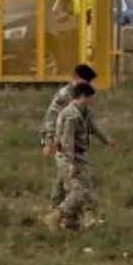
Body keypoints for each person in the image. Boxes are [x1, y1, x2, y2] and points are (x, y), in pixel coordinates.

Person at [40, 64, 112, 214]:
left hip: (73, 141)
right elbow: (51, 118)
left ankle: (57, 207)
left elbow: (89, 121)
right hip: (63, 141)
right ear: (78, 78)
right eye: (86, 81)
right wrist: (48, 142)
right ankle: (62, 211)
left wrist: (105, 139)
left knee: (63, 175)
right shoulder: (64, 95)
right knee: (71, 177)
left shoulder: (82, 95)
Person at [45, 82, 107, 230]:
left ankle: (71, 221)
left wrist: (106, 140)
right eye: (91, 97)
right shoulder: (70, 116)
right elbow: (67, 142)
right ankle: (56, 215)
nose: (93, 100)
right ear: (82, 97)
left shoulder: (84, 112)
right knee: (79, 190)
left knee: (70, 187)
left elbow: (93, 127)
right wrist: (71, 163)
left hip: (79, 155)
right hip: (69, 156)